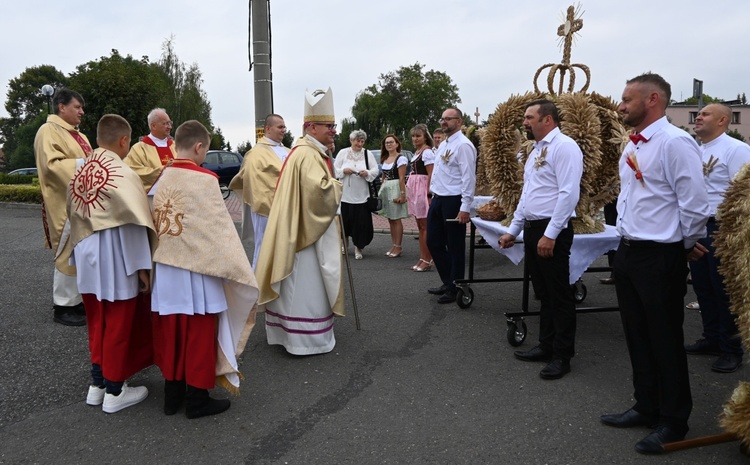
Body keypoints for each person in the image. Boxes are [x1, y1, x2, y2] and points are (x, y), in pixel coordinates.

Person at [600, 73, 710, 455]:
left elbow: (695, 204)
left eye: (627, 99)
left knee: (664, 339)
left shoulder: (675, 142)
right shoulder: (633, 145)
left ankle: (674, 420)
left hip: (659, 256)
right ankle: (646, 405)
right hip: (629, 250)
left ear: (653, 100)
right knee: (636, 333)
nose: (621, 105)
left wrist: (681, 245)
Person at [150, 120, 259, 419]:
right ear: (199, 147)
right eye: (205, 150)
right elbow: (220, 231)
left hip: (167, 269)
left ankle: (172, 397)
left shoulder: (163, 176)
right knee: (199, 332)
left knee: (173, 330)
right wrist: (238, 269)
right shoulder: (206, 179)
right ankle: (197, 399)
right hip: (198, 270)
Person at [65, 114, 156, 413]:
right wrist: (143, 267)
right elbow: (134, 223)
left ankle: (97, 385)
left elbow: (72, 220)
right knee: (118, 321)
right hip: (117, 257)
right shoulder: (123, 172)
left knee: (97, 320)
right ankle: (115, 391)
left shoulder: (81, 170)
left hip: (88, 256)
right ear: (123, 141)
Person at [255, 88, 344, 355]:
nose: (333, 130)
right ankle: (305, 339)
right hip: (306, 235)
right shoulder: (306, 153)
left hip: (300, 228)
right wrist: (337, 186)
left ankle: (292, 333)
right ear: (311, 127)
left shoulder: (306, 150)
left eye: (333, 125)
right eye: (328, 126)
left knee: (297, 287)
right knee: (305, 285)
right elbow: (318, 192)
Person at [498, 99, 583, 380]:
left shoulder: (565, 147)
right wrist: (514, 230)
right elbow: (528, 195)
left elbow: (568, 194)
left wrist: (551, 234)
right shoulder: (536, 150)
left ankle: (562, 355)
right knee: (543, 293)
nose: (525, 121)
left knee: (559, 295)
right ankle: (546, 345)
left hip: (552, 230)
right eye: (525, 117)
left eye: (529, 117)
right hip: (535, 229)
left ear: (547, 120)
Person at [685, 103, 750, 373]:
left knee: (724, 290)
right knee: (703, 287)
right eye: (698, 114)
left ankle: (731, 349)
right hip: (697, 225)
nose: (698, 117)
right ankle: (711, 338)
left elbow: (743, 192)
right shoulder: (695, 150)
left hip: (722, 227)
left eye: (705, 114)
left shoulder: (735, 149)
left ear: (723, 120)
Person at [33, 88, 92, 326]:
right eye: (77, 107)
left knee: (82, 251)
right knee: (67, 250)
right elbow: (50, 166)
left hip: (84, 204)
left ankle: (77, 300)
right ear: (61, 107)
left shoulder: (80, 136)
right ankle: (63, 305)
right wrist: (86, 164)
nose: (82, 112)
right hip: (64, 203)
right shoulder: (48, 131)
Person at [426, 108, 476, 304]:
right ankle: (449, 281)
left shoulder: (463, 146)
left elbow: (468, 178)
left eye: (449, 119)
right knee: (433, 242)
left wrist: (465, 207)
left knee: (454, 245)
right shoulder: (445, 143)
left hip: (453, 200)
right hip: (439, 198)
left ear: (460, 121)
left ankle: (456, 286)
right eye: (443, 118)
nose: (444, 122)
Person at [229, 114, 290, 269]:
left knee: (286, 248)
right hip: (265, 207)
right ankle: (260, 285)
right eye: (280, 127)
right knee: (265, 247)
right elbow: (252, 180)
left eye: (284, 127)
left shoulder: (289, 151)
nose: (284, 130)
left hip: (288, 206)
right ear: (268, 129)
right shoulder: (255, 153)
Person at [334, 129, 379, 260]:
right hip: (345, 196)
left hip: (362, 196)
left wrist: (367, 173)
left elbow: (375, 170)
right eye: (357, 141)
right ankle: (344, 244)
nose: (359, 144)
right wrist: (343, 171)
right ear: (351, 141)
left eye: (362, 141)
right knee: (345, 222)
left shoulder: (367, 153)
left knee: (360, 224)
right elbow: (333, 169)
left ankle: (358, 248)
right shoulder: (343, 153)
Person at [406, 124, 436, 271]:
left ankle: (427, 259)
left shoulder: (427, 152)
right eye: (413, 136)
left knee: (425, 226)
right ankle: (422, 257)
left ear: (425, 137)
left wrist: (429, 192)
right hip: (416, 189)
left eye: (418, 136)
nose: (415, 139)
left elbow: (431, 173)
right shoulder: (417, 152)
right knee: (420, 226)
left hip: (423, 189)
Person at [125, 108, 176, 191]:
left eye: (170, 123)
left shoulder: (176, 146)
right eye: (165, 124)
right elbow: (134, 172)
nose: (170, 127)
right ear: (153, 126)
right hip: (150, 200)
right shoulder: (139, 149)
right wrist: (163, 170)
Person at [379, 134, 410, 258]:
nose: (389, 144)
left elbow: (402, 178)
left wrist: (403, 194)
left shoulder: (401, 159)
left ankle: (398, 246)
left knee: (396, 219)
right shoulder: (385, 159)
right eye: (387, 143)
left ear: (397, 144)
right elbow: (383, 176)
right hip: (386, 189)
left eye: (391, 142)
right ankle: (394, 244)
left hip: (396, 187)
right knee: (390, 219)